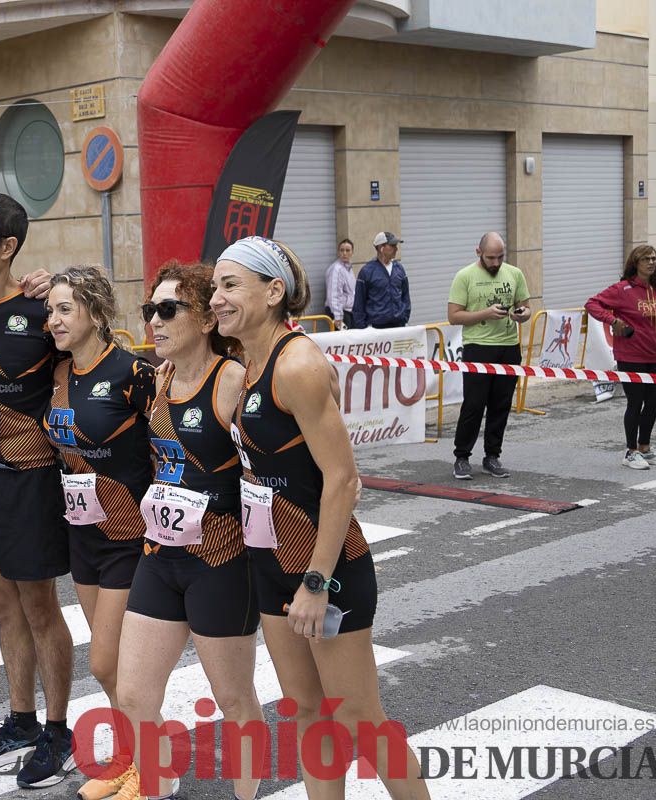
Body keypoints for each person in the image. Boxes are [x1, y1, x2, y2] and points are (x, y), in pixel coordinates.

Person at [213, 236, 431, 800]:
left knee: (359, 716)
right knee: (307, 712)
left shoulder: (298, 364)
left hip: (324, 567)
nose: (217, 298)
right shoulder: (247, 360)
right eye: (216, 286)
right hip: (272, 561)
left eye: (230, 285)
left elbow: (343, 481)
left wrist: (316, 581)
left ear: (273, 291)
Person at [115, 262, 263, 800]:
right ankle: (159, 780)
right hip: (161, 552)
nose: (154, 320)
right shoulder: (156, 376)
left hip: (220, 560)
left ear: (204, 319)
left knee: (235, 701)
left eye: (169, 309)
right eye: (150, 309)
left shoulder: (230, 380)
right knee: (132, 694)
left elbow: (273, 456)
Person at [0, 193, 77, 789]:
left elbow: (91, 344)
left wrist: (60, 284)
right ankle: (21, 720)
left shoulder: (40, 310)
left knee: (39, 608)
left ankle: (58, 730)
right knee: (2, 607)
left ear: (7, 247)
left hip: (31, 480)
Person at [41, 266, 155, 800]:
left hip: (130, 533)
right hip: (82, 531)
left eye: (66, 309)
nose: (54, 319)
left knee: (106, 661)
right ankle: (133, 762)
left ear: (95, 311)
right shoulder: (58, 373)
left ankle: (152, 768)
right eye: (51, 309)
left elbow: (170, 442)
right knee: (114, 668)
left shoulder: (134, 372)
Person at [446, 232, 531, 480]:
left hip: (508, 346)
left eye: (500, 257)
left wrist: (521, 314)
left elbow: (526, 307)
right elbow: (454, 316)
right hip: (478, 347)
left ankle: (492, 456)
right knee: (473, 404)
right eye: (490, 257)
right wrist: (485, 313)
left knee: (501, 405)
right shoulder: (465, 276)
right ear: (478, 252)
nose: (495, 263)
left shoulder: (514, 274)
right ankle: (461, 457)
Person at [586, 245, 656, 470]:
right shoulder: (622, 289)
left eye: (654, 258)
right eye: (646, 259)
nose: (652, 262)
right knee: (635, 402)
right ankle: (631, 452)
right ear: (636, 263)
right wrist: (613, 321)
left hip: (652, 356)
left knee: (654, 401)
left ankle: (645, 448)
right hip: (629, 356)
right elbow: (592, 304)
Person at [352, 232, 410, 330]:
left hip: (398, 326)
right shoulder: (367, 271)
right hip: (376, 329)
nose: (396, 249)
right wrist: (363, 328)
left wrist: (404, 318)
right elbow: (359, 303)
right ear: (381, 248)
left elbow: (405, 296)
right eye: (392, 246)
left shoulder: (399, 269)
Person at [324, 239, 356, 329]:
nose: (344, 253)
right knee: (343, 341)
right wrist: (338, 316)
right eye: (342, 250)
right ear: (338, 252)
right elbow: (334, 295)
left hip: (348, 312)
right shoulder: (337, 270)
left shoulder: (348, 269)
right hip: (339, 313)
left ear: (352, 252)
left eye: (347, 250)